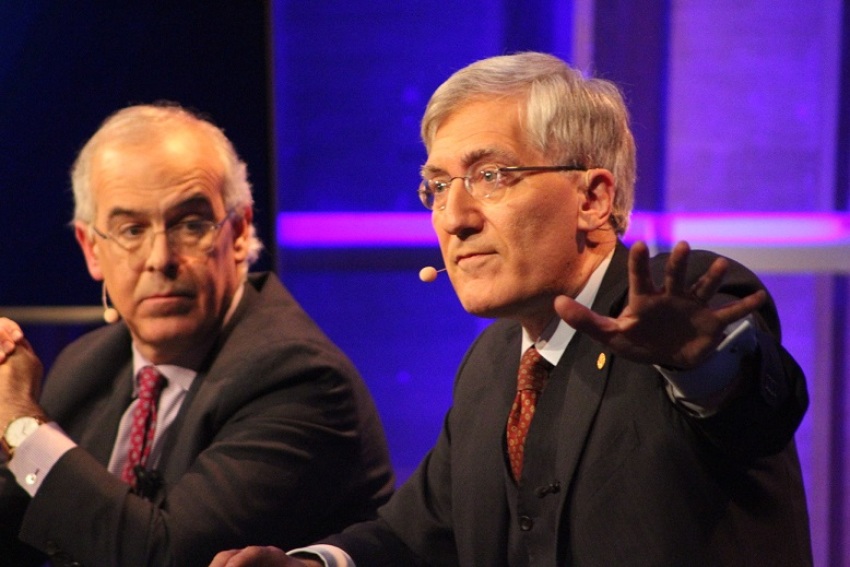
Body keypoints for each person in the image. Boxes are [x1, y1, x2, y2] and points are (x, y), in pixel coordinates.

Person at [210, 52, 812, 567]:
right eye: (439, 186)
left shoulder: (677, 307)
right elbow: (414, 538)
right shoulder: (495, 364)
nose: (455, 218)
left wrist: (698, 367)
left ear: (593, 198)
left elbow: (757, 411)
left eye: (490, 175)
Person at [0, 103, 395, 566]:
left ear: (241, 231)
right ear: (91, 249)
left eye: (190, 225)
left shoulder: (299, 377)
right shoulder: (87, 363)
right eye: (131, 229)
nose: (160, 258)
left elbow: (170, 556)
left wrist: (20, 425)